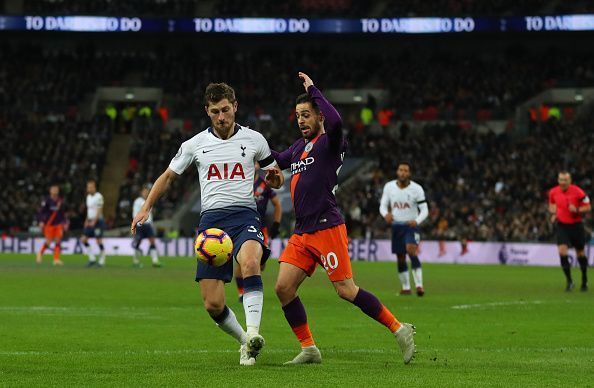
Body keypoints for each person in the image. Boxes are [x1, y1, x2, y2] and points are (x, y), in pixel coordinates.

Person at [131, 82, 284, 366]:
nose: (222, 116)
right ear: (207, 111)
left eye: (226, 110)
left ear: (235, 106)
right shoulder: (195, 145)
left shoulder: (255, 140)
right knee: (212, 304)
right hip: (212, 224)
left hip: (245, 215)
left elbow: (275, 175)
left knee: (250, 261)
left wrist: (276, 179)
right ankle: (245, 341)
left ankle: (253, 332)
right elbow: (167, 176)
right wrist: (146, 206)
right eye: (215, 111)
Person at [272, 72, 416, 365]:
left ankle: (399, 329)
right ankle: (310, 349)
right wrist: (245, 144)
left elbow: (336, 121)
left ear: (319, 115)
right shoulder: (299, 148)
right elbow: (276, 157)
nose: (301, 120)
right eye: (298, 115)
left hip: (327, 226)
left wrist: (313, 90)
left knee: (345, 290)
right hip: (302, 231)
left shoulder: (331, 141)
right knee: (283, 288)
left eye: (307, 114)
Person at [234, 166, 283, 302]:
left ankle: (250, 289)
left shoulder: (264, 185)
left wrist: (276, 224)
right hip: (242, 227)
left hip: (260, 228)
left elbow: (277, 205)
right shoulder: (239, 184)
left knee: (259, 264)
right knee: (241, 261)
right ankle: (242, 293)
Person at [379, 162, 429, 296]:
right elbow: (383, 206)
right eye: (401, 170)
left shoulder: (417, 189)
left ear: (409, 173)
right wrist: (386, 214)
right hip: (396, 226)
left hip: (410, 226)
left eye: (406, 171)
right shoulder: (389, 187)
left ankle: (419, 286)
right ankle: (406, 287)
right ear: (397, 172)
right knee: (400, 257)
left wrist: (417, 220)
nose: (403, 173)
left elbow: (425, 210)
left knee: (411, 251)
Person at [548, 171, 590, 291]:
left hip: (576, 226)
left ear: (570, 180)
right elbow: (552, 205)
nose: (562, 182)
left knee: (580, 254)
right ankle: (569, 281)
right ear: (558, 180)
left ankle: (584, 279)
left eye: (565, 180)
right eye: (560, 179)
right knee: (562, 251)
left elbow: (588, 207)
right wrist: (554, 213)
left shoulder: (578, 192)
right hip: (562, 226)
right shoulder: (553, 192)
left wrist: (576, 209)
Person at [36, 184, 66, 266]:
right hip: (49, 224)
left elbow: (62, 213)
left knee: (57, 240)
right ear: (50, 191)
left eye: (56, 190)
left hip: (58, 224)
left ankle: (56, 259)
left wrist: (65, 222)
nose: (55, 191)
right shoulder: (47, 200)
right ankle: (40, 254)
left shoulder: (60, 201)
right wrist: (41, 221)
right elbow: (41, 212)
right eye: (53, 189)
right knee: (48, 242)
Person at [131, 186, 161, 268]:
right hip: (140, 224)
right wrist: (136, 223)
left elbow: (150, 214)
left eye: (147, 192)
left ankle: (155, 261)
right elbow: (135, 213)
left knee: (152, 241)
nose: (146, 193)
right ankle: (136, 261)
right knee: (138, 242)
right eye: (145, 192)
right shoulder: (138, 201)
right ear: (141, 192)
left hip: (148, 225)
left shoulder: (149, 201)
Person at [81, 180, 107, 267]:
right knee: (83, 239)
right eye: (88, 187)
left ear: (94, 187)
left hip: (98, 221)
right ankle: (92, 258)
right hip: (90, 221)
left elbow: (99, 210)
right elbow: (89, 210)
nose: (89, 188)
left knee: (98, 241)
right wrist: (86, 221)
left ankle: (102, 260)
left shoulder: (99, 196)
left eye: (91, 187)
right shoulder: (88, 197)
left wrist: (94, 222)